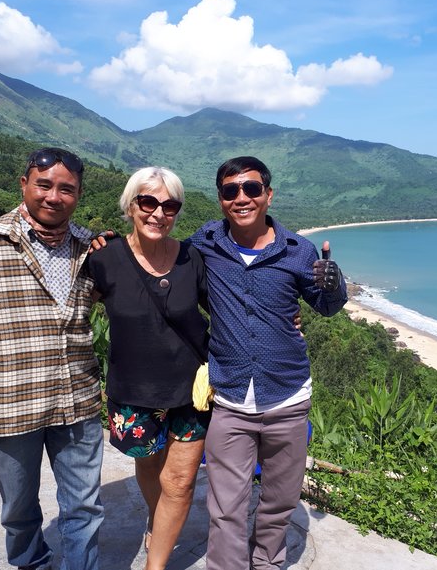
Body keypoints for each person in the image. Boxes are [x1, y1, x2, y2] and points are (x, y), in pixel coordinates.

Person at [0, 147, 104, 570]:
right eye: (44, 184)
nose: (53, 196)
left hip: (77, 402)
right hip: (13, 405)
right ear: (24, 184)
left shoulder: (90, 248)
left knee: (84, 508)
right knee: (18, 511)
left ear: (78, 196)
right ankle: (32, 563)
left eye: (67, 189)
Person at [189, 156, 347, 570]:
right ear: (221, 198)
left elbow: (326, 306)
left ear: (268, 194)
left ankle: (269, 563)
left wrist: (336, 283)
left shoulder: (299, 250)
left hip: (288, 395)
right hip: (232, 398)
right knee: (225, 507)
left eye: (252, 189)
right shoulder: (205, 242)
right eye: (230, 190)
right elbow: (159, 259)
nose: (241, 197)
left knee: (279, 500)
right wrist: (111, 247)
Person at [86, 167, 211, 570]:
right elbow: (66, 313)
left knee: (180, 483)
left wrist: (285, 319)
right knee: (149, 465)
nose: (159, 213)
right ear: (130, 205)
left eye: (169, 205)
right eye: (148, 202)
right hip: (134, 391)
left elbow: (227, 311)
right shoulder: (103, 259)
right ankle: (159, 525)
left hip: (190, 391)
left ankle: (154, 563)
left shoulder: (192, 258)